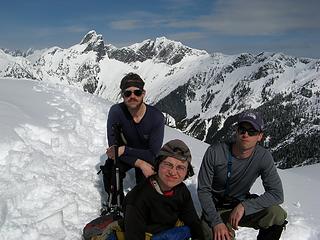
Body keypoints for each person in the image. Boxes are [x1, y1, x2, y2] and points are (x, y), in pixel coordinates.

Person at [197, 111, 287, 240]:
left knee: (277, 215)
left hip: (240, 204)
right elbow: (203, 190)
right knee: (217, 236)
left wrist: (245, 206)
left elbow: (277, 194)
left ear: (260, 136)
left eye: (252, 132)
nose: (245, 135)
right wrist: (216, 222)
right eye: (242, 130)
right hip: (215, 207)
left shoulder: (263, 157)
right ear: (236, 131)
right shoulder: (215, 152)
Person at [103, 72, 165, 208]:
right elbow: (114, 150)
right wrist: (140, 163)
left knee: (147, 185)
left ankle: (141, 205)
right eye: (128, 93)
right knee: (111, 169)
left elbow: (153, 153)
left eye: (137, 92)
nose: (133, 97)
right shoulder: (116, 112)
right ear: (122, 96)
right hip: (126, 156)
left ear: (143, 93)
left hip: (142, 155)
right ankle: (115, 203)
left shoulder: (156, 118)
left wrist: (125, 149)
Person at [122, 139, 204, 240]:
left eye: (180, 167)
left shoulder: (181, 190)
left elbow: (193, 223)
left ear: (187, 172)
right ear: (158, 164)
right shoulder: (138, 199)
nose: (173, 172)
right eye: (168, 164)